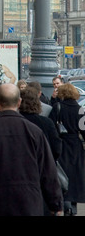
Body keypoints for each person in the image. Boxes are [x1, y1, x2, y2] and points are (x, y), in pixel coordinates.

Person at [0, 83, 63, 216]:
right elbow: (47, 171)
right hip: (29, 202)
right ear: (19, 102)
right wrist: (55, 203)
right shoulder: (34, 132)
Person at [49, 83, 85, 216]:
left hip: (61, 144)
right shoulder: (80, 110)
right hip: (76, 145)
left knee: (62, 173)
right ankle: (74, 205)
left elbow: (51, 128)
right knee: (76, 175)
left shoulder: (57, 107)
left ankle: (65, 202)